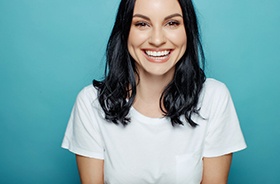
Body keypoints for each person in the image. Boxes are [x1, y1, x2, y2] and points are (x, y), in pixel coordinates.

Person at [62, 0, 247, 183]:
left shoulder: (214, 97)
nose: (157, 40)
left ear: (187, 31)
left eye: (172, 23)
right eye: (142, 24)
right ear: (125, 31)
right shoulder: (92, 103)